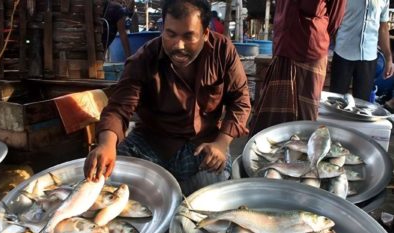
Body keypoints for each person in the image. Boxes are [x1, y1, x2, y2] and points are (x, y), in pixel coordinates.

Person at [84, 0, 251, 196]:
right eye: (171, 34)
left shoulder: (223, 51)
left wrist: (222, 143)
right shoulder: (145, 58)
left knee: (207, 194)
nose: (178, 45)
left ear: (205, 34)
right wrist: (106, 144)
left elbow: (240, 101)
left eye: (189, 36)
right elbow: (119, 107)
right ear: (163, 28)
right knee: (109, 180)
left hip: (203, 143)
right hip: (152, 142)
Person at [248, 0, 347, 137]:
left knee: (305, 116)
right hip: (282, 46)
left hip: (310, 50)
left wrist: (311, 30)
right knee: (273, 112)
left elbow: (335, 20)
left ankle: (303, 152)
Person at [330, 0, 393, 102]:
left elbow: (383, 27)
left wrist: (389, 58)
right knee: (335, 100)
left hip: (369, 58)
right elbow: (334, 19)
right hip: (343, 54)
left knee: (362, 104)